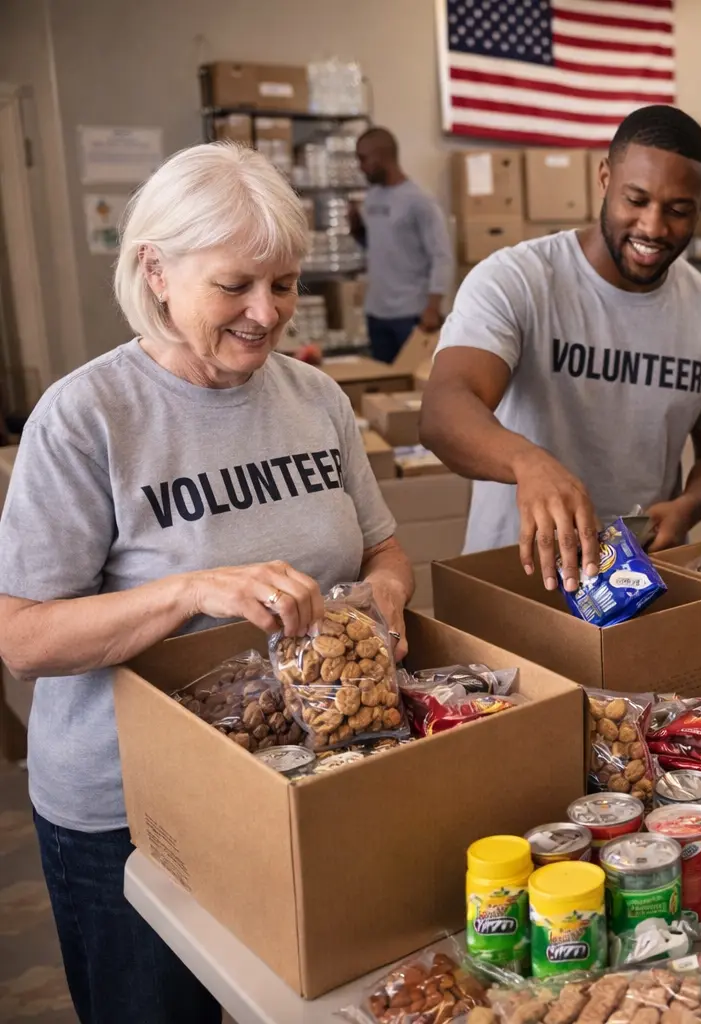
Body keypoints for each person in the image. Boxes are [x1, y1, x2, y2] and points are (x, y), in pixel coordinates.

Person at [0, 143, 413, 1024]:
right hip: (135, 810)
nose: (266, 314)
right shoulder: (86, 418)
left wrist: (383, 600)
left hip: (309, 775)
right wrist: (191, 590)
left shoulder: (314, 397)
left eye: (286, 284)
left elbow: (382, 549)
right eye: (236, 286)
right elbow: (23, 638)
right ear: (156, 269)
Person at [419, 105, 701, 590]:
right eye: (635, 199)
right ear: (604, 178)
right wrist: (527, 463)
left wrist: (688, 506)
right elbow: (443, 410)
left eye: (679, 210)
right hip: (514, 579)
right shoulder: (517, 280)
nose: (653, 227)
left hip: (635, 584)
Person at [351, 126, 454, 362]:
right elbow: (380, 247)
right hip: (376, 311)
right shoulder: (372, 197)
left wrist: (433, 307)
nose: (360, 166)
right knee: (386, 383)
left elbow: (441, 256)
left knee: (412, 388)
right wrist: (357, 229)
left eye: (363, 158)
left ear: (382, 156)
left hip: (411, 313)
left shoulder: (419, 201)